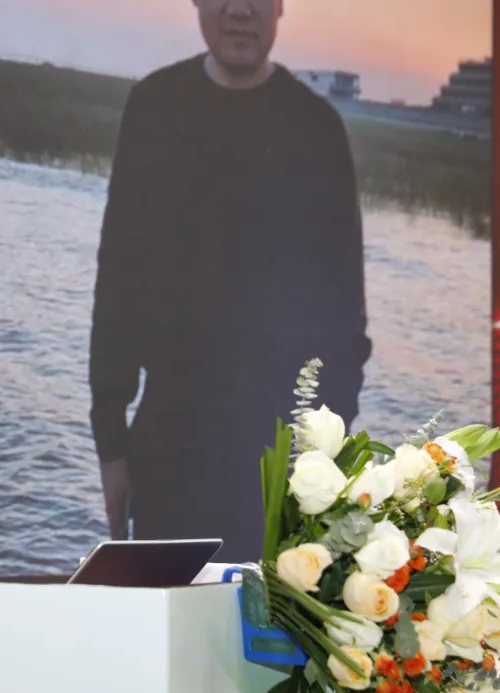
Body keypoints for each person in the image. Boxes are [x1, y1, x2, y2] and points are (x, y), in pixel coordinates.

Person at [88, 0, 371, 561]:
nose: (239, 10)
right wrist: (111, 446)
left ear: (280, 7)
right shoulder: (154, 106)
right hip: (168, 441)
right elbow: (118, 280)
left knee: (268, 614)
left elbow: (345, 310)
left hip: (281, 453)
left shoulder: (316, 127)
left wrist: (326, 458)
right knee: (168, 601)